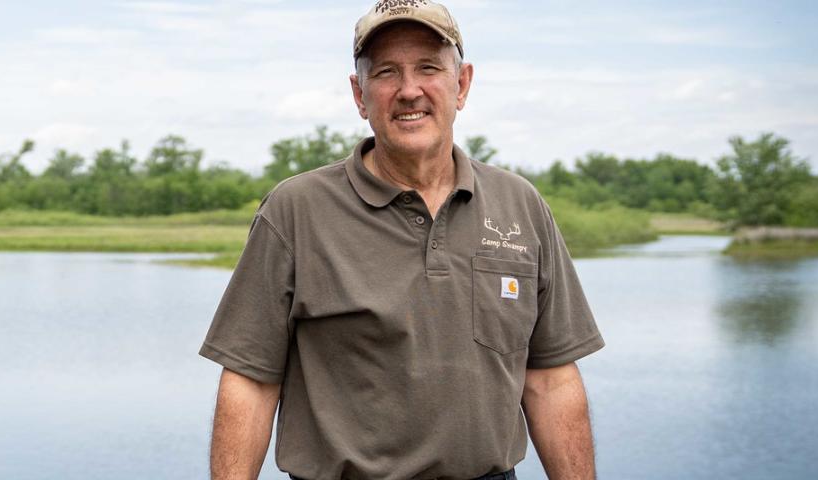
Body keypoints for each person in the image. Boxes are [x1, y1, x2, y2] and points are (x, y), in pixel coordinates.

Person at [198, 1, 604, 479]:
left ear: (462, 84)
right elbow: (250, 381)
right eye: (387, 72)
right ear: (360, 95)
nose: (409, 91)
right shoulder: (295, 210)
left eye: (429, 68)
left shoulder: (521, 205)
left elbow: (551, 379)